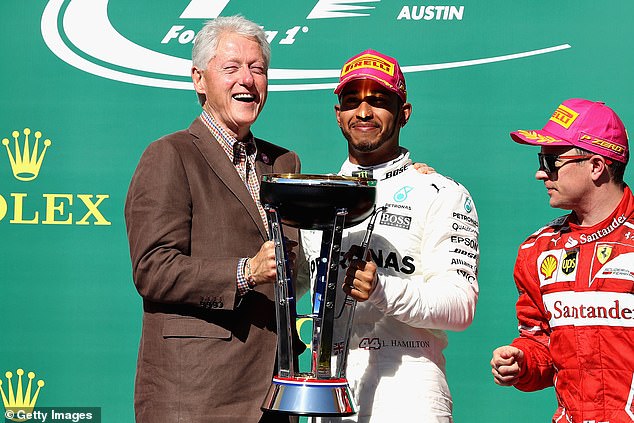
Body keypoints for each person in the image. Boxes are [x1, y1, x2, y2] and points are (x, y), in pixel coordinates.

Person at [124, 16, 301, 423]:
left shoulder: (285, 163)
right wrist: (246, 272)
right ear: (199, 80)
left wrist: (403, 170)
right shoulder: (169, 156)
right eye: (232, 67)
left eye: (258, 69)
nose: (248, 80)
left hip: (277, 392)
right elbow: (153, 269)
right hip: (197, 395)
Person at [302, 49, 480, 422]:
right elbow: (299, 287)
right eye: (352, 102)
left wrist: (382, 289)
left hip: (409, 390)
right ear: (338, 116)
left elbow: (460, 306)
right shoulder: (314, 199)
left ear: (404, 113)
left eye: (379, 101)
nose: (363, 112)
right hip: (328, 391)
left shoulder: (441, 193)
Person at [491, 98, 634, 422]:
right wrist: (522, 361)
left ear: (596, 166)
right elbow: (540, 342)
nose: (540, 173)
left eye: (552, 160)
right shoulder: (538, 250)